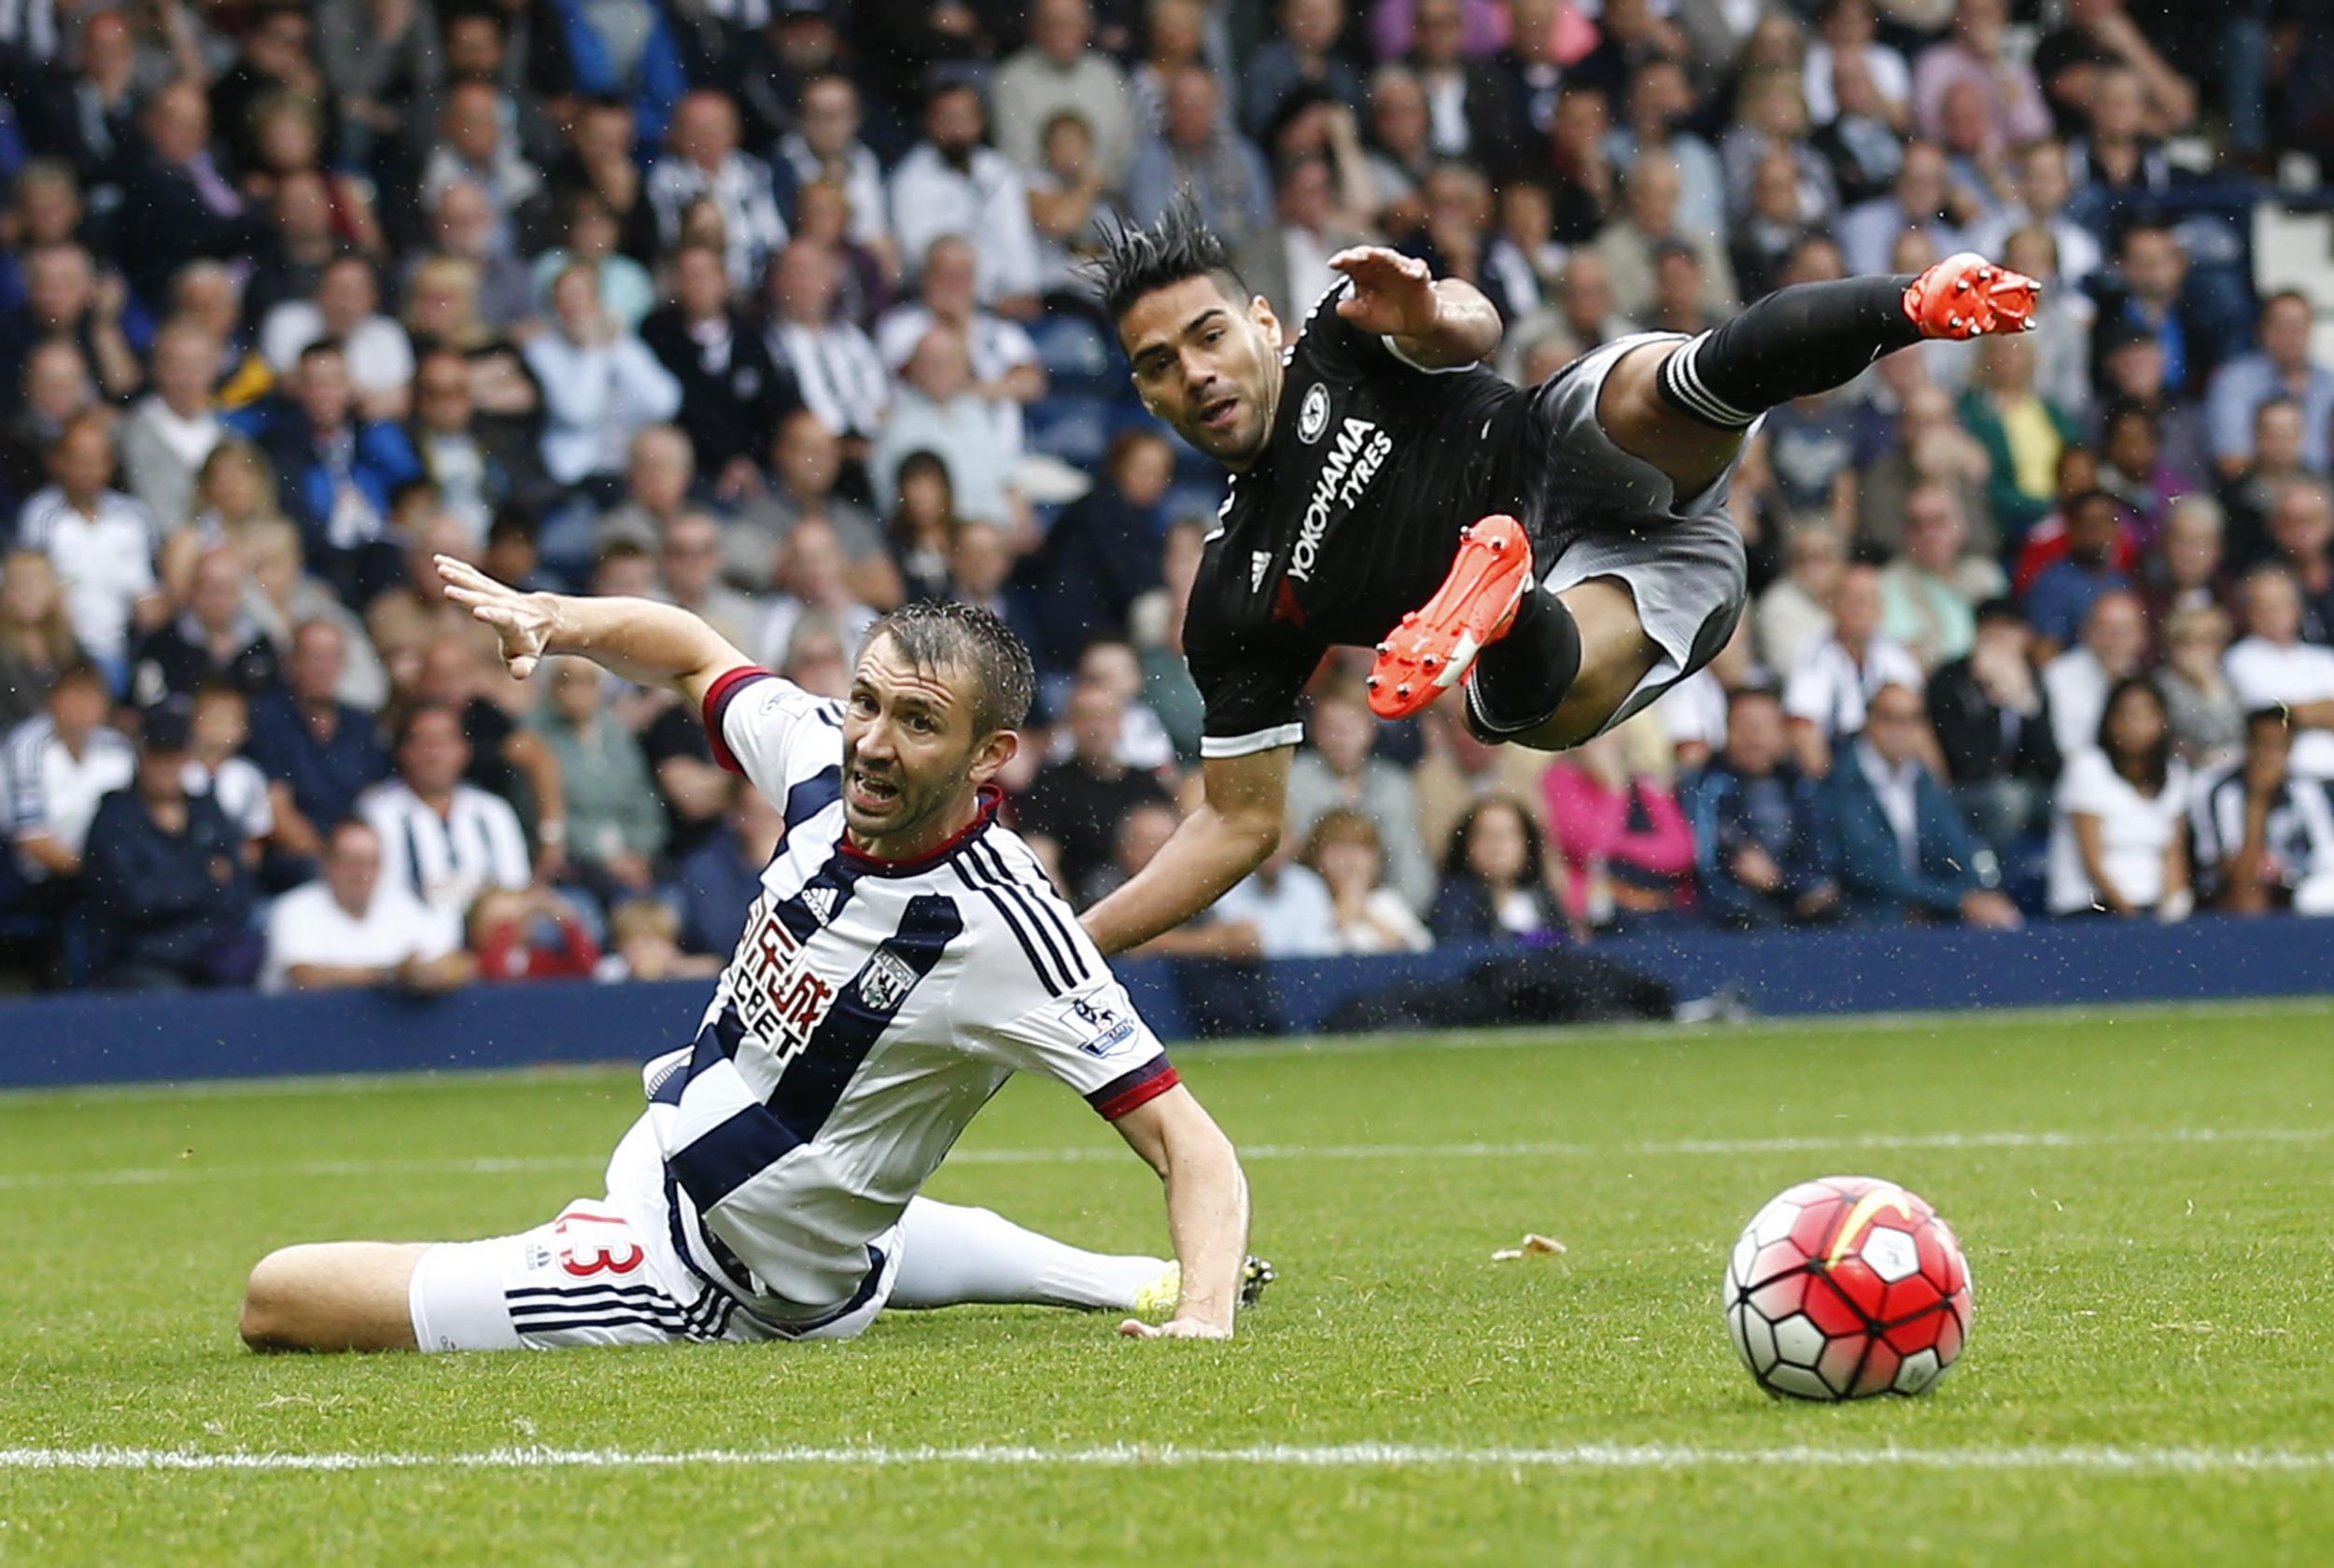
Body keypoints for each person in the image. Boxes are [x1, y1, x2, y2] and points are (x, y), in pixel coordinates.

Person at [239, 574, 1264, 1353]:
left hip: (697, 1277)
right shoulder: (822, 754)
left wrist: (1207, 1319)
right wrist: (557, 620)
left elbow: (1192, 1144)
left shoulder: (1000, 928)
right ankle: (1120, 1276)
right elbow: (689, 649)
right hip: (683, 1156)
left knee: (276, 1295)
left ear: (987, 757)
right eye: (866, 702)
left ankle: (1171, 1286)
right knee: (866, 1220)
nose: (871, 741)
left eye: (918, 723)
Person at [1075, 196, 2042, 954]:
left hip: (1555, 451)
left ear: (1258, 321)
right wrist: (1074, 947)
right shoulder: (1234, 599)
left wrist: (1420, 310)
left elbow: (1469, 324)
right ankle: (1505, 609)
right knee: (1529, 709)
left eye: (1207, 337)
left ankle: (1911, 303)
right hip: (1645, 576)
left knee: (1658, 385)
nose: (1194, 373)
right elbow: (1237, 827)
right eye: (1158, 365)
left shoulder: (1340, 327)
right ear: (1143, 393)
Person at [79, 704, 257, 988]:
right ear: (141, 756)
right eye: (157, 756)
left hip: (207, 950)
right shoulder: (115, 817)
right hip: (139, 955)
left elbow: (239, 888)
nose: (166, 766)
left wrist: (175, 884)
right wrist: (205, 878)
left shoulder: (206, 810)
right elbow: (136, 899)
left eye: (175, 756)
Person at [1827, 680, 2022, 928]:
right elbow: (1872, 870)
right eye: (1890, 719)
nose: (1901, 731)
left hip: (1927, 911)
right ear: (1869, 722)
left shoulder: (1921, 779)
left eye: (1912, 720)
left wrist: (1980, 892)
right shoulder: (1844, 780)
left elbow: (1958, 846)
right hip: (1867, 917)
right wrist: (1959, 900)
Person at [1681, 685, 1842, 928]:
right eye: (1743, 725)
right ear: (1725, 731)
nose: (1753, 737)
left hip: (1797, 904)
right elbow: (1708, 869)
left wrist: (1784, 883)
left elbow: (1824, 863)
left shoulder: (1802, 786)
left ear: (1783, 734)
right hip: (1729, 915)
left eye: (1763, 727)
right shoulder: (1707, 785)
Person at [358, 704, 532, 922]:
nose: (434, 753)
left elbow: (515, 886)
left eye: (445, 741)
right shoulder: (377, 812)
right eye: (422, 741)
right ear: (402, 751)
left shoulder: (493, 810)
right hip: (410, 939)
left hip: (489, 937)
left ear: (465, 750)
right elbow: (379, 896)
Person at [260, 819, 473, 994]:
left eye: (371, 862)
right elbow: (305, 976)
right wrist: (392, 975)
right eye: (351, 861)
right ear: (327, 863)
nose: (361, 873)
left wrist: (436, 974)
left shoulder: (402, 906)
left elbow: (450, 960)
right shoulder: (295, 909)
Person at [2046, 677, 2191, 919]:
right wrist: (2132, 919)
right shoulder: (2087, 767)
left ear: (2162, 721)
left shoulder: (2175, 772)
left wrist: (2170, 917)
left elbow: (2173, 854)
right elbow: (2092, 861)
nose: (2136, 723)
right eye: (2127, 714)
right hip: (2092, 910)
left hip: (2152, 911)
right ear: (2109, 720)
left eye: (2147, 713)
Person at [1927, 599, 2062, 851]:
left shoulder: (2032, 679)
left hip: (2019, 790)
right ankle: (1988, 877)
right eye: (1991, 629)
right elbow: (1967, 762)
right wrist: (1993, 699)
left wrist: (2023, 702)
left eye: (2008, 629)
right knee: (2008, 800)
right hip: (1962, 792)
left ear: (2025, 637)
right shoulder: (1950, 679)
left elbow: (2049, 764)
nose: (1999, 638)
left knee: (2071, 800)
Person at [2192, 707, 2334, 915]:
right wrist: (2257, 800)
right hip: (2234, 893)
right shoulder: (2221, 792)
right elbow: (2235, 874)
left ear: (2290, 749)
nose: (2268, 756)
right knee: (2250, 894)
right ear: (2247, 746)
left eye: (2277, 746)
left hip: (2298, 890)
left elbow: (2326, 859)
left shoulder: (2307, 791)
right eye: (2262, 744)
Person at [2222, 566, 2334, 782]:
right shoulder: (2239, 659)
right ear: (2247, 611)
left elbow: (2292, 711)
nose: (2273, 614)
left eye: (2282, 604)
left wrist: (2302, 712)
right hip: (2290, 781)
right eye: (2263, 606)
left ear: (2297, 608)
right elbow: (2273, 717)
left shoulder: (2325, 658)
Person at [1427, 796, 1568, 944]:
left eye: (1508, 834)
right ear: (1466, 845)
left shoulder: (1542, 896)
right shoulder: (1454, 900)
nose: (1496, 846)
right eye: (1485, 834)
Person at [1301, 806, 1433, 954]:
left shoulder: (1387, 901)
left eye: (1360, 849)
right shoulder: (1309, 903)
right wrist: (1341, 919)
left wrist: (1366, 915)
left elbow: (1423, 951)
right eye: (1337, 850)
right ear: (1316, 856)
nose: (1350, 861)